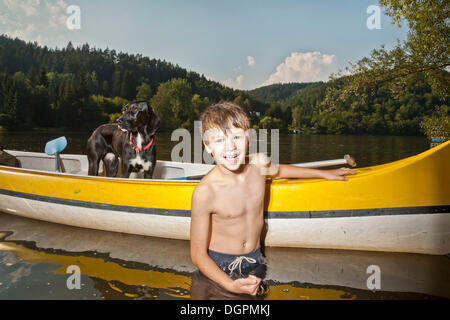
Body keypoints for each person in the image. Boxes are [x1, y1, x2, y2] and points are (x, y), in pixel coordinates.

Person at [190, 101, 357, 296]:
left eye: (237, 137)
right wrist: (229, 285)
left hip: (255, 260)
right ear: (207, 146)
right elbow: (198, 254)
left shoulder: (259, 163)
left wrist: (324, 174)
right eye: (219, 141)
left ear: (249, 139)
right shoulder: (205, 192)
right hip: (218, 266)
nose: (231, 147)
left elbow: (281, 170)